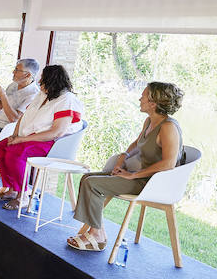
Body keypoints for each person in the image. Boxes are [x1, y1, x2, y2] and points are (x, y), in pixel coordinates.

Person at [69, 82, 185, 252]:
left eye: (144, 96)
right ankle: (96, 231)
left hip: (152, 183)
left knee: (93, 183)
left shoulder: (168, 127)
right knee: (87, 178)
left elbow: (168, 164)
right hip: (140, 176)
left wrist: (132, 175)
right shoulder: (149, 121)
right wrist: (124, 157)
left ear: (153, 103)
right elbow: (138, 144)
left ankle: (97, 235)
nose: (140, 98)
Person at [0, 64, 85, 209]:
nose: (39, 82)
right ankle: (12, 190)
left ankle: (24, 196)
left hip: (51, 142)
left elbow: (56, 132)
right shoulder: (43, 94)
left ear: (53, 82)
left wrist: (21, 139)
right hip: (29, 136)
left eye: (43, 80)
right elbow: (25, 116)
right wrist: (15, 134)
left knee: (15, 153)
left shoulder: (67, 100)